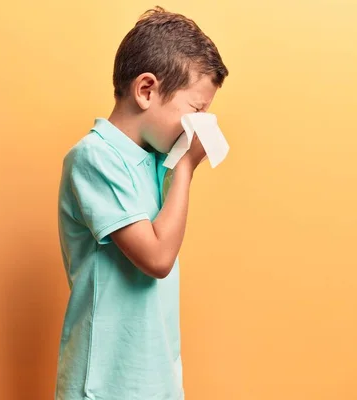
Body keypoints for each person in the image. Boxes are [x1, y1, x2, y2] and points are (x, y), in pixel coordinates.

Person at [56, 6, 228, 400]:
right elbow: (157, 259)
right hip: (106, 383)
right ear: (146, 90)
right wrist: (185, 169)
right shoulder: (94, 158)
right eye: (197, 109)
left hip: (156, 379)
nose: (202, 123)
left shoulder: (153, 159)